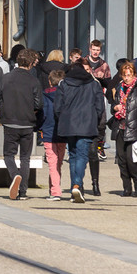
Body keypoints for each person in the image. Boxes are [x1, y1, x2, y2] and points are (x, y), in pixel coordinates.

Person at [54, 60, 107, 202]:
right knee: (82, 156)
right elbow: (100, 107)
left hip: (69, 124)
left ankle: (75, 188)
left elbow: (57, 107)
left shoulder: (64, 84)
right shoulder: (94, 84)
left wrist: (64, 118)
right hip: (87, 124)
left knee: (73, 155)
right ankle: (77, 184)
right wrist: (93, 118)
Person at [0, 48, 43, 199]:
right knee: (25, 158)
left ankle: (15, 175)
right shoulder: (34, 81)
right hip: (27, 123)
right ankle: (23, 191)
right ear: (30, 64)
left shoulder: (6, 78)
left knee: (8, 155)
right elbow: (39, 104)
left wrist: (6, 105)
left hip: (9, 121)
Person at [111, 60, 137, 197]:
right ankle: (126, 187)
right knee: (121, 160)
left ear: (134, 75)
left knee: (131, 159)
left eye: (129, 75)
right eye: (125, 75)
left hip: (134, 128)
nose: (127, 78)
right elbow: (114, 106)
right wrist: (115, 108)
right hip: (120, 127)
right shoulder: (119, 88)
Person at [41, 68, 67, 199]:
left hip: (48, 132)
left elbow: (43, 114)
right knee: (58, 163)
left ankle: (55, 191)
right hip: (63, 132)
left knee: (52, 162)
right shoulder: (65, 96)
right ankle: (54, 188)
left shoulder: (44, 95)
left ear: (50, 82)